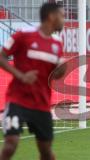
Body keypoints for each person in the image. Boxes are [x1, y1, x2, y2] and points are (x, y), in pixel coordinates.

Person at [0, 2, 66, 160]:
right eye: (61, 15)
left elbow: (55, 75)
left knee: (45, 151)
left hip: (41, 104)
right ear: (51, 16)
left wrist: (62, 69)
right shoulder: (23, 35)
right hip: (18, 100)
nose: (63, 19)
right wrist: (20, 75)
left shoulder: (57, 44)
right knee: (11, 143)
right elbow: (1, 57)